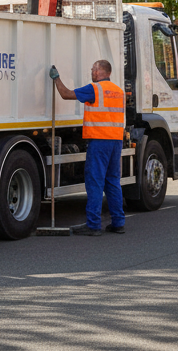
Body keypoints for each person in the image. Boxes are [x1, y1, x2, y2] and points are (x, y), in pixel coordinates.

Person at [50, 59, 127, 236]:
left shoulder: (95, 89)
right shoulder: (119, 91)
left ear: (101, 71)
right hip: (115, 141)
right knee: (113, 181)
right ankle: (118, 222)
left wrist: (56, 78)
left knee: (94, 181)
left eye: (93, 68)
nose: (91, 71)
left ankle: (93, 225)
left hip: (99, 141)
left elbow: (66, 94)